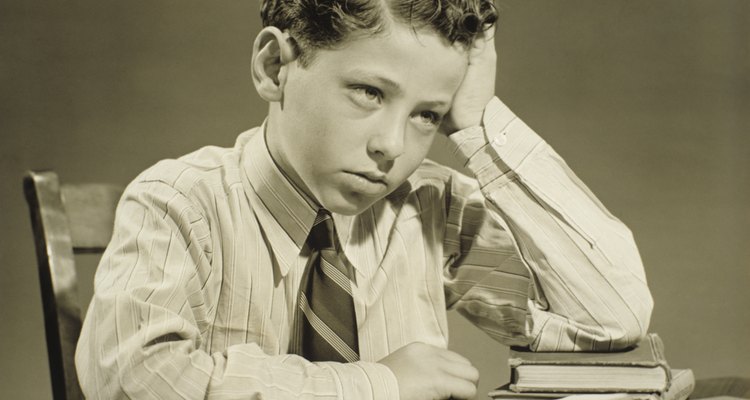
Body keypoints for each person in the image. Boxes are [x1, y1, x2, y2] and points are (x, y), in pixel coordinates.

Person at [75, 1, 654, 399]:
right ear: (275, 66)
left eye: (427, 115)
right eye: (368, 92)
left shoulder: (431, 208)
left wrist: (477, 126)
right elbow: (133, 381)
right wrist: (377, 385)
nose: (392, 146)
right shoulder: (181, 203)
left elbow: (611, 317)